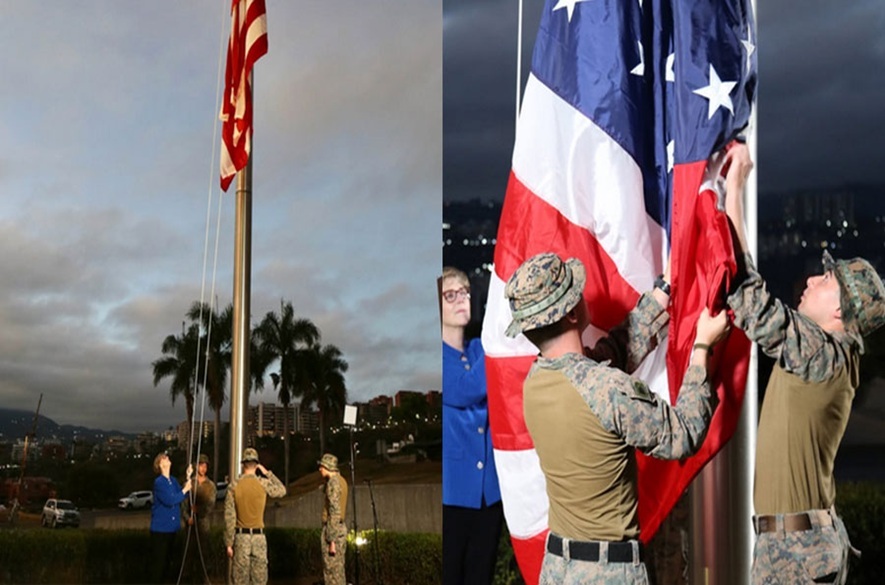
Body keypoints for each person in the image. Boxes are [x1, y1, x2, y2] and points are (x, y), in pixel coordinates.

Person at [504, 252, 730, 584]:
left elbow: (609, 355)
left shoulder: (536, 382)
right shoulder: (606, 389)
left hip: (558, 569)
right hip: (607, 572)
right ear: (570, 313)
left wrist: (663, 290)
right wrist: (702, 347)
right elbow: (683, 434)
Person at [722, 143, 885, 584]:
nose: (812, 279)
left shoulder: (823, 353)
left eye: (826, 280)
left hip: (796, 554)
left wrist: (733, 187)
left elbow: (748, 299)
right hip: (795, 548)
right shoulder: (833, 355)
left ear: (840, 313)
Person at [440, 266, 503, 585]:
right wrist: (496, 344)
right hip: (453, 496)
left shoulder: (480, 347)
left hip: (488, 493)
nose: (460, 298)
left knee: (482, 576)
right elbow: (465, 389)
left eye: (465, 291)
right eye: (450, 294)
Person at [223, 448, 286, 585]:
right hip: (259, 538)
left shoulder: (233, 486)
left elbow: (229, 517)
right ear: (256, 464)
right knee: (259, 580)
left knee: (240, 580)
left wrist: (229, 543)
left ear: (243, 464)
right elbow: (282, 490)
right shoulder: (263, 483)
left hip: (241, 538)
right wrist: (267, 473)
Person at [150, 452, 192, 584]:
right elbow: (170, 500)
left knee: (169, 564)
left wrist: (188, 477)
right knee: (159, 565)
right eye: (164, 458)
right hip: (161, 531)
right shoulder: (159, 483)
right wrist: (185, 490)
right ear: (160, 464)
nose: (167, 458)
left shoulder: (172, 480)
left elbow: (182, 495)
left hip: (172, 529)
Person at [184, 453, 216, 583]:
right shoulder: (189, 483)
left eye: (205, 466)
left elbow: (210, 505)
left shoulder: (211, 486)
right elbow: (184, 504)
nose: (203, 468)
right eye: (201, 465)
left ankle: (203, 579)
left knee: (204, 553)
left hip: (203, 523)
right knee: (189, 554)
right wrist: (187, 518)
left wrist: (199, 512)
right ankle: (188, 579)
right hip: (191, 524)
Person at [319, 453, 348, 585]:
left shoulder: (333, 483)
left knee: (332, 574)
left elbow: (334, 511)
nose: (320, 469)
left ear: (327, 467)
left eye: (322, 466)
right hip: (339, 528)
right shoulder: (341, 481)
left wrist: (331, 540)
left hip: (333, 529)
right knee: (338, 571)